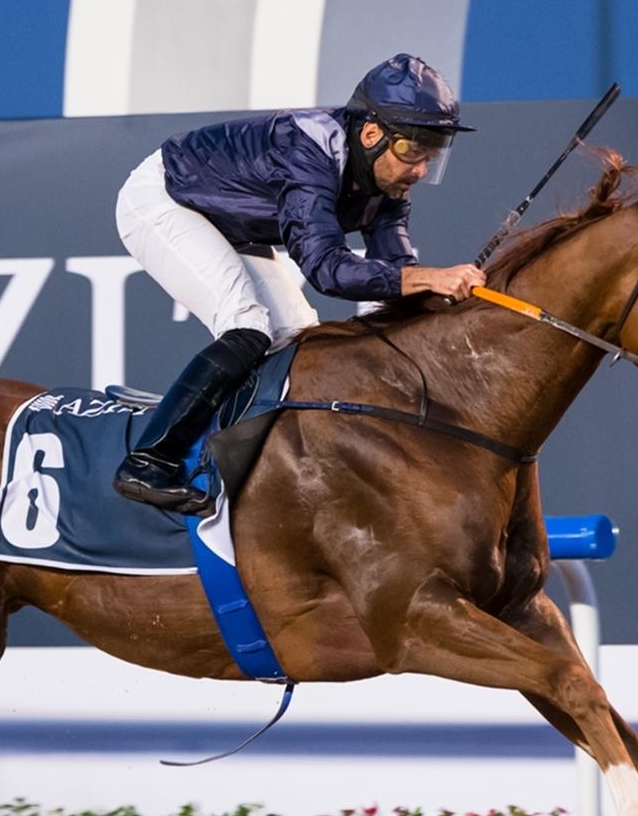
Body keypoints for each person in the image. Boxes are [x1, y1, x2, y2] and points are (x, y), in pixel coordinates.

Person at [111, 53, 488, 515]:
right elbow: (327, 269)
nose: (420, 170)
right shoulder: (307, 151)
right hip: (165, 199)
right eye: (412, 151)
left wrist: (443, 300)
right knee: (248, 325)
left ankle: (259, 469)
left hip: (230, 221)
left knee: (298, 340)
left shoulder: (388, 187)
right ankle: (148, 462)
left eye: (431, 155)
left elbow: (397, 273)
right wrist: (430, 278)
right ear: (372, 134)